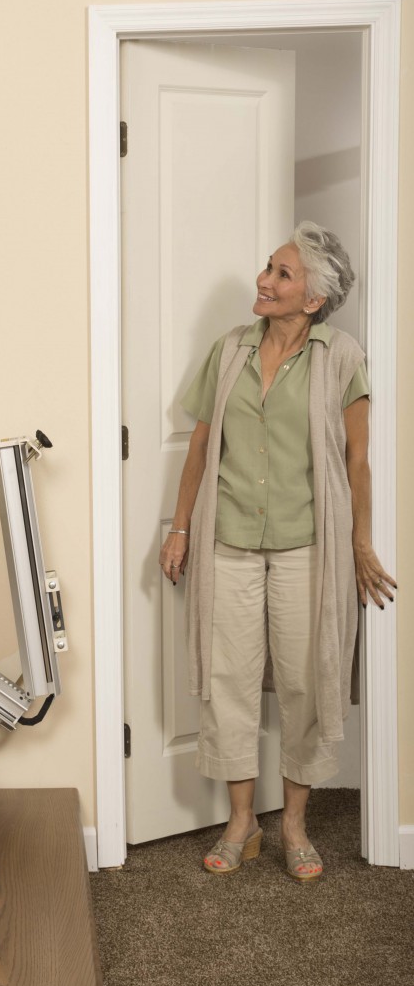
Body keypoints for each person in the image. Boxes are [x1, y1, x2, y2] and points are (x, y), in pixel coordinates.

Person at [159, 223, 395, 881]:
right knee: (227, 681)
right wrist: (178, 527)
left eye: (282, 274)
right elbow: (200, 449)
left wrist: (358, 543)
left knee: (303, 681)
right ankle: (241, 823)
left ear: (312, 298)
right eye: (268, 267)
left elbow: (357, 462)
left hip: (305, 548)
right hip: (227, 540)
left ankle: (292, 824)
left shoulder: (340, 357)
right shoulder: (228, 349)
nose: (264, 280)